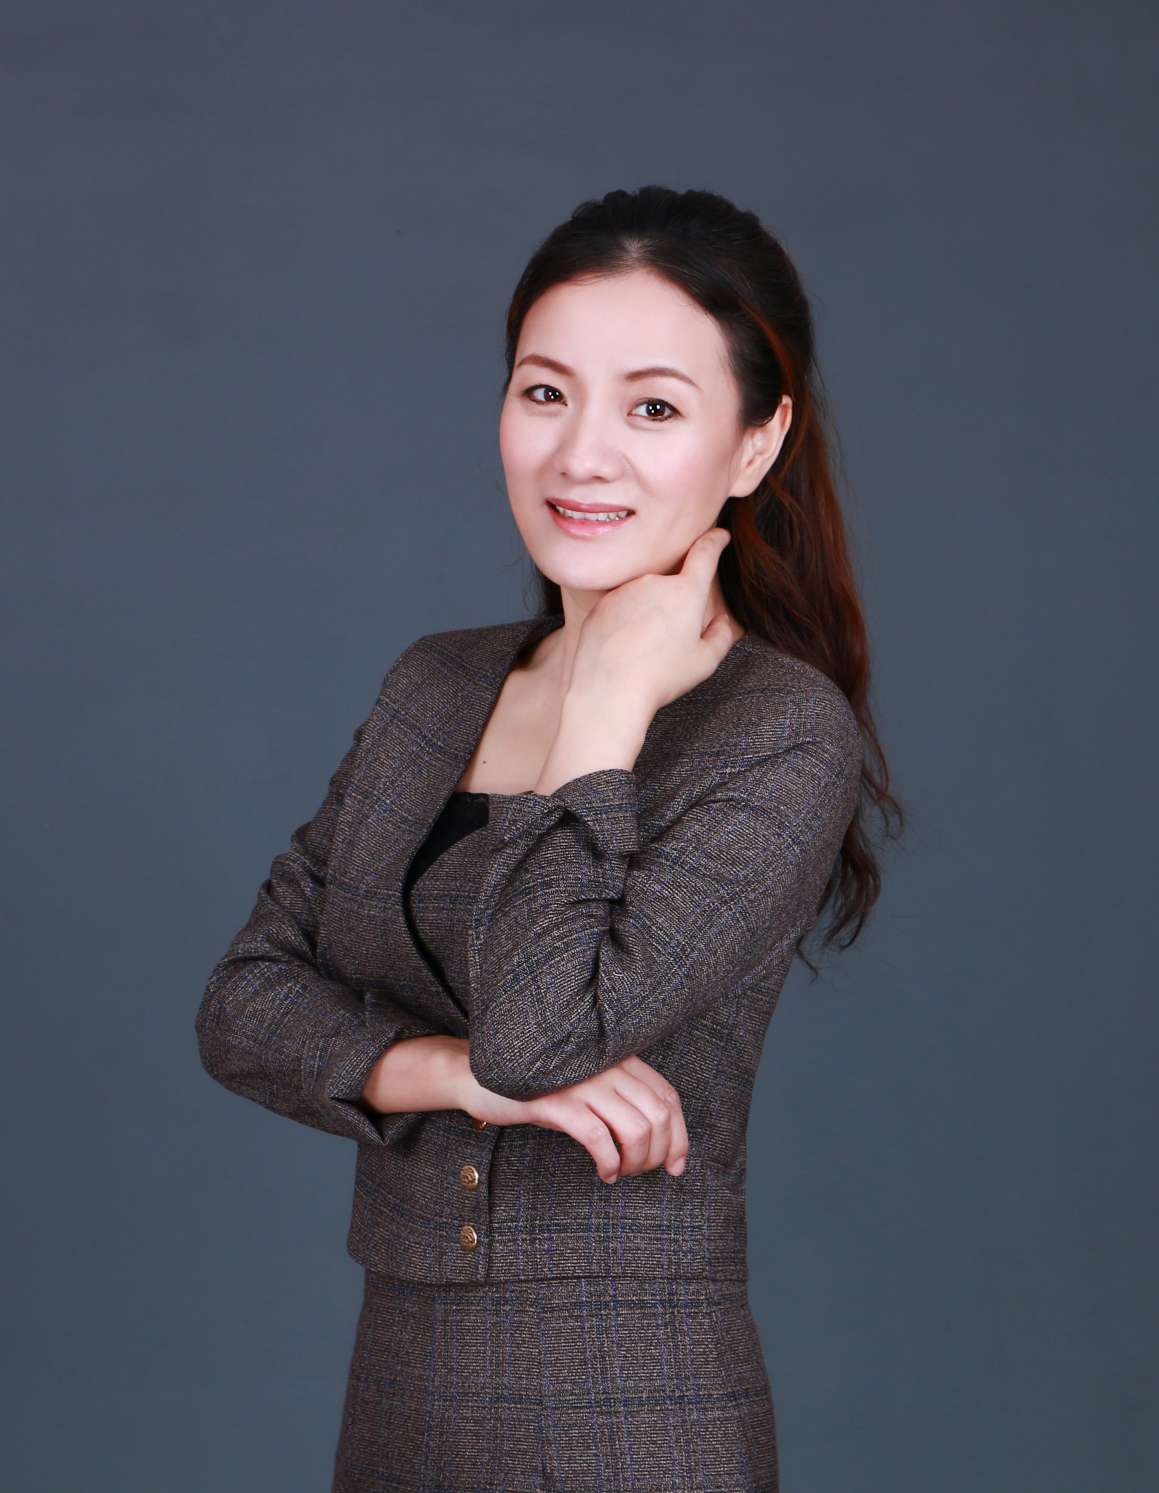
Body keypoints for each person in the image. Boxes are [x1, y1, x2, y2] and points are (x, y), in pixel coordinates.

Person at [195, 184, 902, 1492]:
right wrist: (446, 1076)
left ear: (756, 444)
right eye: (544, 392)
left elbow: (541, 1034)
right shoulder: (437, 685)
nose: (581, 455)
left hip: (629, 1413)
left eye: (653, 408)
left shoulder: (779, 734)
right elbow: (242, 1005)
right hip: (397, 1401)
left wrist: (606, 708)